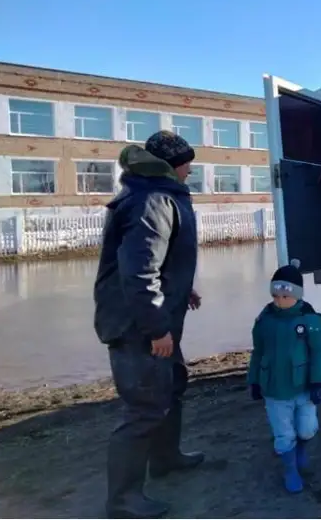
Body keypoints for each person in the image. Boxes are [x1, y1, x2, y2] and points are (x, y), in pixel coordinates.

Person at [94, 130, 204, 519]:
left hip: (156, 316)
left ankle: (166, 458)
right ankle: (123, 501)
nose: (191, 169)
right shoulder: (152, 199)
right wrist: (157, 329)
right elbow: (140, 273)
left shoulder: (158, 193)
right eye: (187, 162)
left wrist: (183, 289)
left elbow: (162, 258)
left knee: (171, 386)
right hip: (137, 325)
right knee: (143, 407)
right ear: (173, 165)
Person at [247, 259, 321, 494]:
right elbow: (258, 351)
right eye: (276, 296)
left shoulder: (309, 321)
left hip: (303, 387)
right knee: (283, 434)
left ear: (298, 295)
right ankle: (290, 469)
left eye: (286, 296)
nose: (280, 301)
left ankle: (301, 448)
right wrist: (254, 380)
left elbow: (320, 351)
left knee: (306, 428)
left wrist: (317, 381)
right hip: (274, 388)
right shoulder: (265, 321)